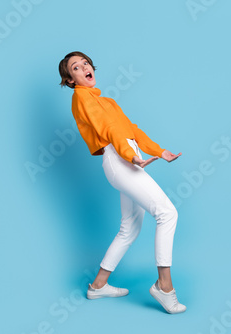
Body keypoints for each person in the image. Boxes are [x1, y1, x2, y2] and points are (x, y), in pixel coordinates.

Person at [58, 51, 186, 314]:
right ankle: (164, 287)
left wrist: (160, 152)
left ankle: (98, 286)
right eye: (76, 67)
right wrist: (131, 156)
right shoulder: (80, 98)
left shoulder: (108, 102)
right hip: (119, 159)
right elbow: (109, 130)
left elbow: (132, 129)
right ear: (71, 80)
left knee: (129, 228)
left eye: (85, 63)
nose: (84, 67)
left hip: (127, 157)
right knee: (167, 213)